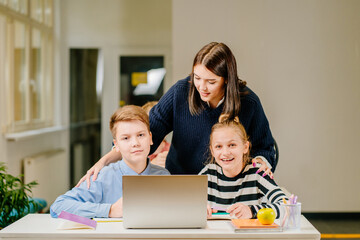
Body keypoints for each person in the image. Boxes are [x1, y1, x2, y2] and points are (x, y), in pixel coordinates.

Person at [77, 42, 276, 188]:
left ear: (227, 80)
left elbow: (265, 148)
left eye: (211, 81)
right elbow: (148, 134)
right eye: (197, 78)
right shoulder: (181, 91)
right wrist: (104, 161)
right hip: (181, 181)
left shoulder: (248, 103)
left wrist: (260, 162)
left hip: (230, 187)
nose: (202, 87)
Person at [50, 105, 170, 218]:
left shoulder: (164, 176)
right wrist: (110, 210)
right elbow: (57, 208)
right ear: (116, 145)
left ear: (150, 138)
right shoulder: (103, 177)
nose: (135, 143)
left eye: (140, 135)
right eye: (126, 138)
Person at [201, 114, 287, 219]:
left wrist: (251, 211)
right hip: (216, 234)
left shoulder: (257, 173)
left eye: (232, 145)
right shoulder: (208, 174)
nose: (225, 152)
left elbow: (287, 206)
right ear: (212, 151)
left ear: (245, 147)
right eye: (218, 146)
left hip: (249, 235)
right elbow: (185, 205)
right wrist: (198, 209)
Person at [142, 101, 170, 168]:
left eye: (163, 122)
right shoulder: (138, 151)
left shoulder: (173, 150)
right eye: (151, 122)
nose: (158, 126)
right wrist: (152, 164)